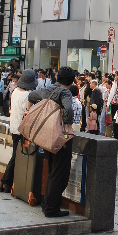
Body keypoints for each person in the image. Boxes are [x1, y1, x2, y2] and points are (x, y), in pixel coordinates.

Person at [27, 66, 75, 218]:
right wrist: (67, 124)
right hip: (60, 137)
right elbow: (68, 109)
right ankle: (51, 208)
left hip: (47, 135)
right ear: (71, 81)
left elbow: (32, 96)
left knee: (52, 170)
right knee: (60, 173)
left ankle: (47, 204)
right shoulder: (65, 92)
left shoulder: (50, 88)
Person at [0, 70, 36, 193]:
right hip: (22, 129)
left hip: (14, 127)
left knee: (15, 155)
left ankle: (6, 183)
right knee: (16, 156)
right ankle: (5, 182)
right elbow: (28, 112)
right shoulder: (27, 95)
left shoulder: (15, 91)